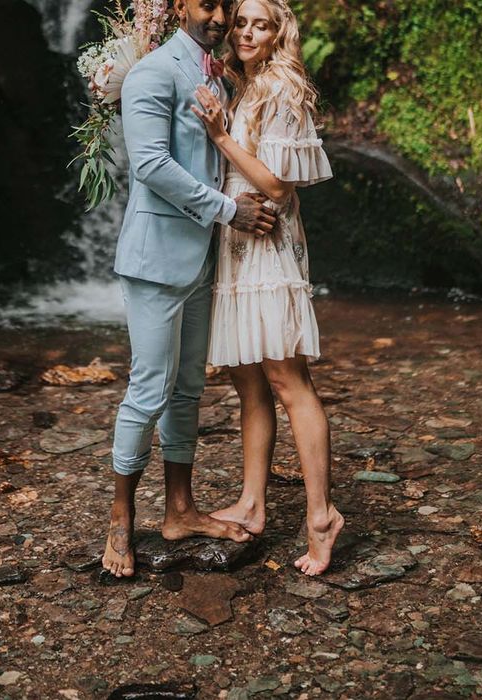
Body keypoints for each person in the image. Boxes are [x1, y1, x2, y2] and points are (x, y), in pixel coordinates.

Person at [103, 0, 279, 578]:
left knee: (186, 390)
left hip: (203, 257)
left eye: (227, 5)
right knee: (148, 388)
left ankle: (179, 509)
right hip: (155, 257)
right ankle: (120, 521)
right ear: (178, 6)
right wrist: (230, 209)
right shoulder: (153, 72)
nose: (221, 15)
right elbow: (150, 164)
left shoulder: (215, 71)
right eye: (208, 4)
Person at [192, 0, 345, 575]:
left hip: (267, 246)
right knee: (249, 383)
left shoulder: (281, 85)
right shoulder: (243, 82)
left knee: (287, 380)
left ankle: (322, 514)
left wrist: (220, 137)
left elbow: (277, 185)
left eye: (261, 23)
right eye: (241, 23)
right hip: (237, 243)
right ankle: (253, 503)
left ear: (279, 32)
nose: (248, 32)